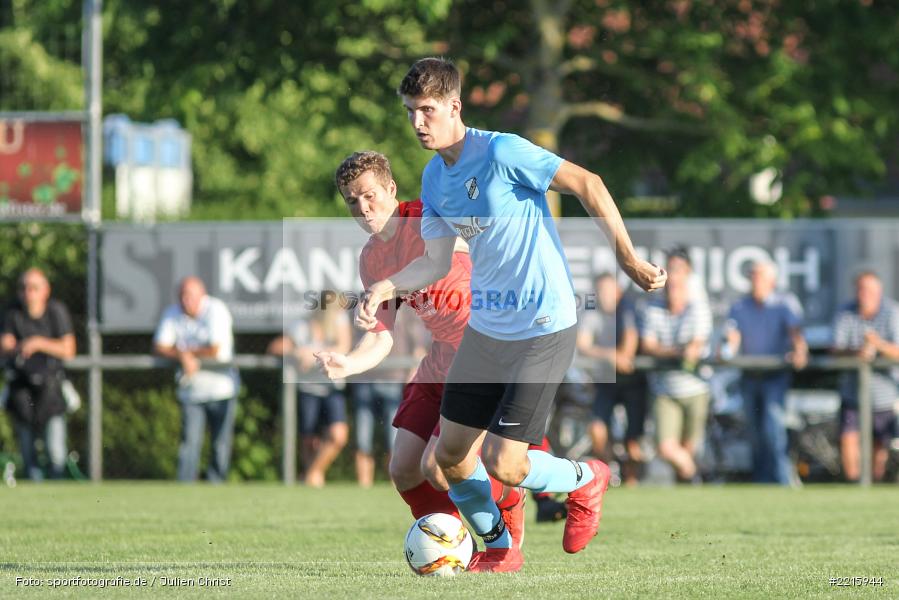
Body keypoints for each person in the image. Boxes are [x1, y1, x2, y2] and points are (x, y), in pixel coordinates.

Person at [358, 58, 666, 572]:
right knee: (450, 460)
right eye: (410, 112)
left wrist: (629, 259)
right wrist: (386, 285)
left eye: (427, 111)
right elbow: (435, 262)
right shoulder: (434, 179)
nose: (417, 123)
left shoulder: (502, 150)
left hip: (544, 324)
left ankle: (587, 479)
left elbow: (587, 182)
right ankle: (499, 550)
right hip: (487, 328)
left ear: (455, 106)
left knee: (506, 462)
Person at [317, 150, 528, 547]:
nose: (362, 208)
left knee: (438, 466)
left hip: (484, 350)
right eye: (352, 201)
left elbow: (459, 255)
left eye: (369, 195)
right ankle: (451, 543)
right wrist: (347, 363)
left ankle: (506, 505)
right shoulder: (371, 259)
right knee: (404, 469)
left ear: (391, 189)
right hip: (442, 356)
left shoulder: (428, 217)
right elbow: (381, 336)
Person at [722, 260, 808, 485]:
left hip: (775, 376)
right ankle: (761, 482)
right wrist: (726, 351)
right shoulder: (740, 306)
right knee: (754, 434)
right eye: (752, 276)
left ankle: (781, 481)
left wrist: (799, 351)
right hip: (750, 376)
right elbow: (732, 338)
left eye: (759, 276)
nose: (755, 281)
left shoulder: (785, 303)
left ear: (772, 280)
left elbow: (796, 335)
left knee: (774, 430)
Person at [154, 276, 239, 482]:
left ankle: (216, 487)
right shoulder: (172, 313)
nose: (186, 300)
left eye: (190, 296)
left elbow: (215, 349)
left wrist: (186, 353)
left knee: (220, 445)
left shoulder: (216, 310)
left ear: (202, 295)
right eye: (183, 296)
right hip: (191, 390)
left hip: (222, 388)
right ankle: (185, 491)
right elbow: (159, 346)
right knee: (189, 444)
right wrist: (182, 356)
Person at [640, 247, 711, 483]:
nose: (673, 277)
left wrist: (672, 351)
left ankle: (688, 492)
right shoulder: (653, 307)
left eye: (678, 271)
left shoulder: (698, 306)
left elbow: (693, 350)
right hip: (665, 389)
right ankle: (697, 478)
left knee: (688, 450)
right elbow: (649, 345)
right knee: (666, 448)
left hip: (695, 388)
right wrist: (676, 351)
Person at [0, 268, 75, 480]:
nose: (28, 293)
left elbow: (68, 348)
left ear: (45, 290)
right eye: (23, 288)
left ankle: (57, 491)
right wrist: (21, 346)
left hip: (51, 387)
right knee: (27, 449)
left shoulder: (55, 311)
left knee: (55, 450)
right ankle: (35, 486)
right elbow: (4, 345)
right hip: (22, 387)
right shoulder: (12, 312)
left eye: (34, 288)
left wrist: (39, 343)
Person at [269, 302, 352, 487]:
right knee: (309, 441)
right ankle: (312, 480)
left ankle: (312, 473)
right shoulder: (301, 326)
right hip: (308, 389)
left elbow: (344, 347)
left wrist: (313, 354)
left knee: (338, 435)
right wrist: (296, 352)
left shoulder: (339, 322)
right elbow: (275, 347)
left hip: (332, 388)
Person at [576, 272, 647, 486]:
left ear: (618, 291)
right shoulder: (592, 314)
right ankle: (609, 475)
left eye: (608, 290)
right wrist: (612, 356)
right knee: (597, 429)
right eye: (601, 291)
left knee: (633, 441)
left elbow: (630, 341)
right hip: (605, 382)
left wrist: (621, 356)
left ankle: (631, 482)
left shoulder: (629, 308)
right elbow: (583, 345)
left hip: (634, 383)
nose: (604, 296)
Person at [831, 270, 899, 482]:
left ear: (879, 292)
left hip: (884, 392)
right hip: (853, 390)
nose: (865, 295)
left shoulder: (891, 312)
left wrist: (878, 345)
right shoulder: (845, 312)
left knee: (880, 442)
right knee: (849, 437)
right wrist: (857, 352)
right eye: (861, 289)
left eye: (870, 290)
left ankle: (874, 482)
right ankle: (854, 483)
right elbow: (835, 348)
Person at [351, 306, 425, 488]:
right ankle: (364, 487)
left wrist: (414, 371)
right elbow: (352, 339)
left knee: (394, 439)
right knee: (362, 438)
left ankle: (396, 485)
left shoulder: (407, 308)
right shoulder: (362, 304)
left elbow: (418, 345)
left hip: (393, 377)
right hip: (365, 377)